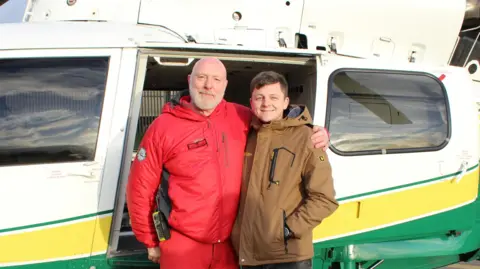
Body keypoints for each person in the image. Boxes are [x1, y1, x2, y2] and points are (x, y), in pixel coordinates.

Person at [126, 57, 330, 269]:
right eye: (201, 77)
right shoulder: (163, 127)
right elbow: (140, 188)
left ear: (225, 85)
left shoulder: (241, 116)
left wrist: (318, 132)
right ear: (189, 80)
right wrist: (150, 239)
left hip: (230, 247)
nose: (208, 85)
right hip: (183, 244)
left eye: (216, 79)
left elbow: (278, 120)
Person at [231, 71, 339, 269]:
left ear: (285, 101)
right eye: (259, 97)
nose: (266, 103)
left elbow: (325, 199)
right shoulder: (247, 135)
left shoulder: (307, 138)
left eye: (274, 97)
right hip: (247, 255)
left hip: (287, 258)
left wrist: (287, 229)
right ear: (251, 102)